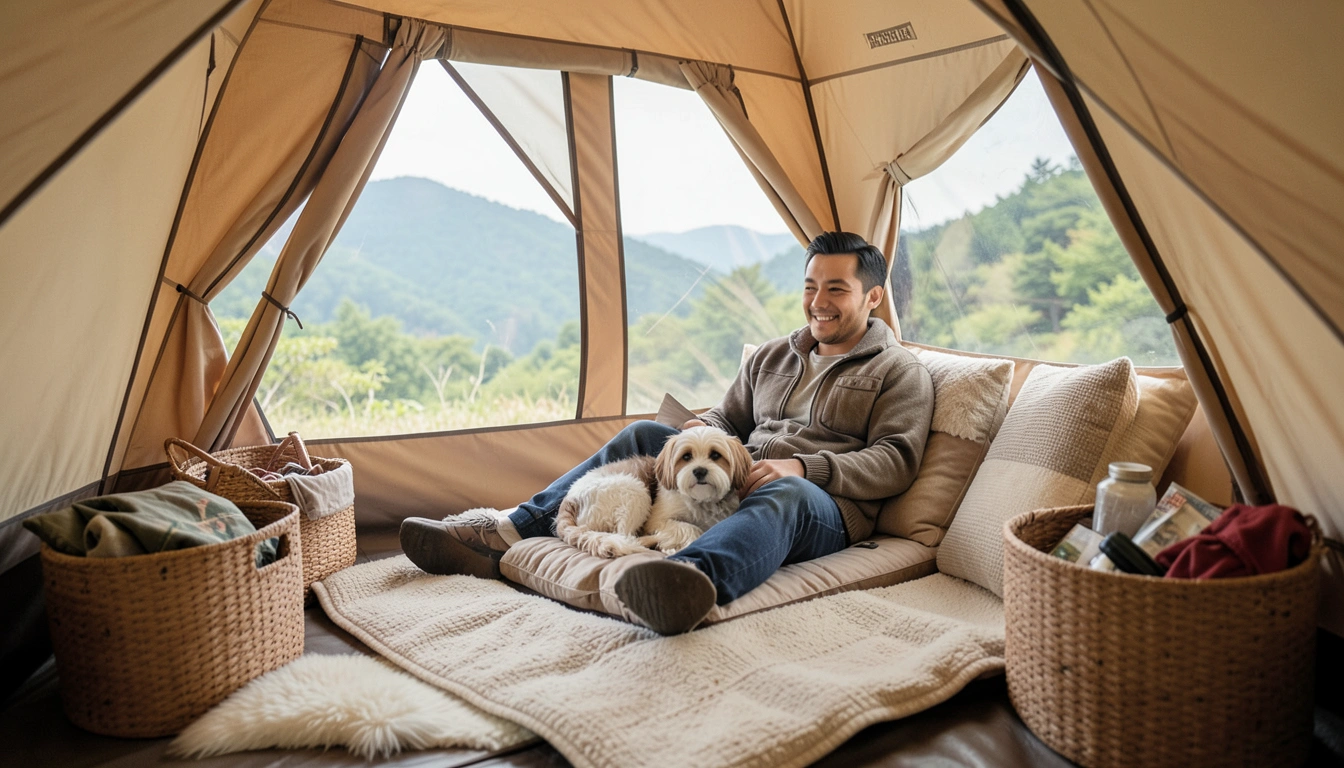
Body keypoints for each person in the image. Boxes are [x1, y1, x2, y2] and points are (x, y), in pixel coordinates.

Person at [400, 231, 934, 634]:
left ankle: (686, 579)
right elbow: (729, 421)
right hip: (740, 473)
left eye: (836, 289)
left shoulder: (897, 371)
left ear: (873, 297)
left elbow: (897, 460)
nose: (818, 300)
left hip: (824, 506)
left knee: (784, 491)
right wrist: (703, 427)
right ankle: (509, 530)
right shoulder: (775, 354)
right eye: (810, 285)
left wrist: (803, 466)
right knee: (646, 433)